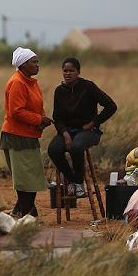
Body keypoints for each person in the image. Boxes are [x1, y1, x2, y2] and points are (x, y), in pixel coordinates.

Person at [48, 57, 117, 198]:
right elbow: (57, 118)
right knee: (53, 150)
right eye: (65, 71)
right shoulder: (59, 91)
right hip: (67, 131)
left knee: (76, 147)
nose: (68, 74)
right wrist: (65, 134)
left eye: (71, 71)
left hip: (88, 131)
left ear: (78, 72)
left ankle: (79, 183)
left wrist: (93, 123)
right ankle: (73, 180)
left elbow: (111, 106)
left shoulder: (88, 87)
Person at [0, 47, 52, 218]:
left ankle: (23, 210)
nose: (38, 65)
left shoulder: (31, 83)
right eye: (34, 62)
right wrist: (39, 120)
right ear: (23, 65)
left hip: (29, 135)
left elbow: (37, 106)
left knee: (32, 176)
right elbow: (16, 111)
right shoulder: (17, 83)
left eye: (37, 61)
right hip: (17, 136)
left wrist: (42, 119)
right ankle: (28, 214)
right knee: (25, 178)